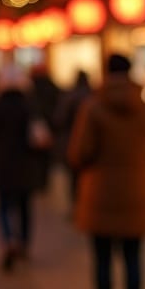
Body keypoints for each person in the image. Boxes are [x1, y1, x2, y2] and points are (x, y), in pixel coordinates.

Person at [67, 53, 145, 289]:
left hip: (101, 195)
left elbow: (79, 153)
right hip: (137, 192)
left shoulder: (93, 107)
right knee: (134, 259)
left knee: (103, 259)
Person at [0, 64, 49, 270]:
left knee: (3, 206)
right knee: (25, 207)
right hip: (26, 165)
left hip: (2, 163)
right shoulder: (30, 106)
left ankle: (8, 239)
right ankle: (24, 244)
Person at [54, 68, 92, 209]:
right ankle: (84, 203)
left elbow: (59, 119)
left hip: (70, 140)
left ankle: (76, 204)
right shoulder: (93, 96)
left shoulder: (70, 96)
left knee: (73, 176)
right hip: (89, 143)